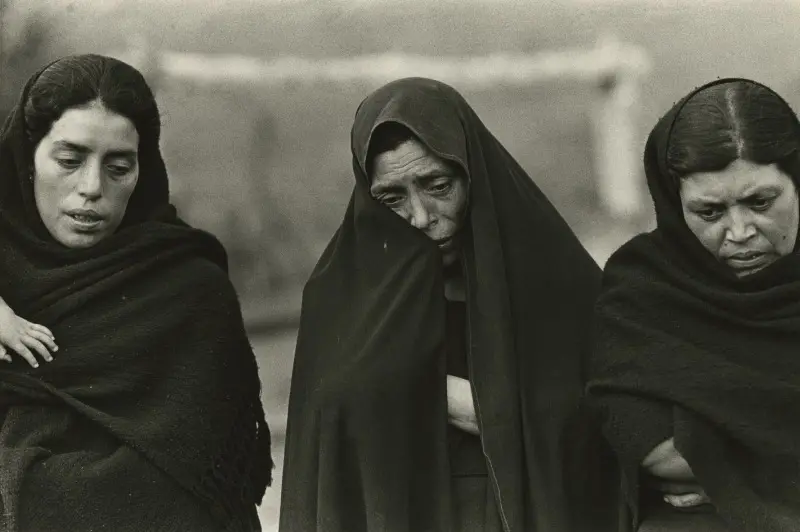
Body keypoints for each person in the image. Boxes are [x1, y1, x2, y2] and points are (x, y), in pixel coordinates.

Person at [279, 77, 621, 532]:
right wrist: (436, 392)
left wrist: (456, 400)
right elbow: (326, 446)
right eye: (392, 198)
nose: (421, 217)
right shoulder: (339, 298)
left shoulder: (557, 282)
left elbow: (607, 424)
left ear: (472, 173)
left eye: (438, 186)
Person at [0, 54, 272, 531]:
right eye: (69, 161)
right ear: (26, 159)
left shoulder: (190, 290)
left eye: (119, 167)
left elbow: (199, 487)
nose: (91, 187)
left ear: (143, 172)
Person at [587, 78, 800, 532]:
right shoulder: (641, 288)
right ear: (673, 204)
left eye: (760, 202)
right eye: (710, 212)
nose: (740, 232)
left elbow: (687, 457)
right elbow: (649, 444)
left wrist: (725, 476)